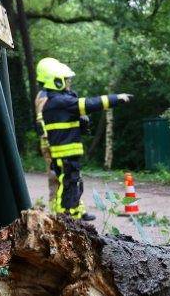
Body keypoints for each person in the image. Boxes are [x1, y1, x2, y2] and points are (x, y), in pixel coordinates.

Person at [34, 57, 131, 219]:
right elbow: (90, 104)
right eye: (66, 80)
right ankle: (63, 216)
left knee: (74, 182)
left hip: (66, 151)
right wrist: (117, 98)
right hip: (63, 152)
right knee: (67, 184)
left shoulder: (53, 100)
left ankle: (75, 211)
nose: (68, 83)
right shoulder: (58, 101)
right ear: (56, 81)